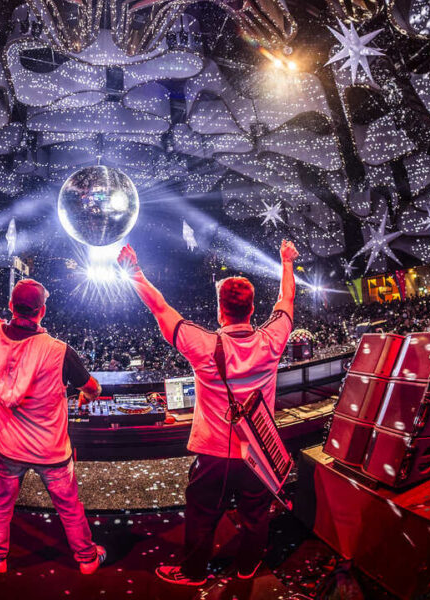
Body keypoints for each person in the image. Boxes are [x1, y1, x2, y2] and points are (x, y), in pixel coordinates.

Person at [118, 239, 298, 586]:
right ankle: (247, 567)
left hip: (215, 455)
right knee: (256, 514)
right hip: (259, 453)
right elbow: (286, 300)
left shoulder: (202, 344)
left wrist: (134, 271)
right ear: (252, 308)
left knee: (202, 516)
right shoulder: (272, 340)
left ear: (219, 310)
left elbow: (160, 308)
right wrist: (286, 262)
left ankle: (194, 573)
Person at [0, 239, 106, 575]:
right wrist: (86, 397)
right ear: (42, 310)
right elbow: (92, 388)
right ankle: (87, 559)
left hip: (5, 447)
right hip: (50, 452)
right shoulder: (58, 351)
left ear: (10, 306)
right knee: (69, 508)